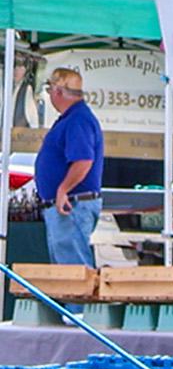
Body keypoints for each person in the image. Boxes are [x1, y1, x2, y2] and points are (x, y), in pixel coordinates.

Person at [35, 67, 105, 267]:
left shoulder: (78, 119)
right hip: (70, 204)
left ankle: (77, 301)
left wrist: (62, 190)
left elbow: (83, 160)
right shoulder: (74, 118)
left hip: (72, 205)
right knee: (65, 274)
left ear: (57, 92)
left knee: (72, 273)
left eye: (50, 92)